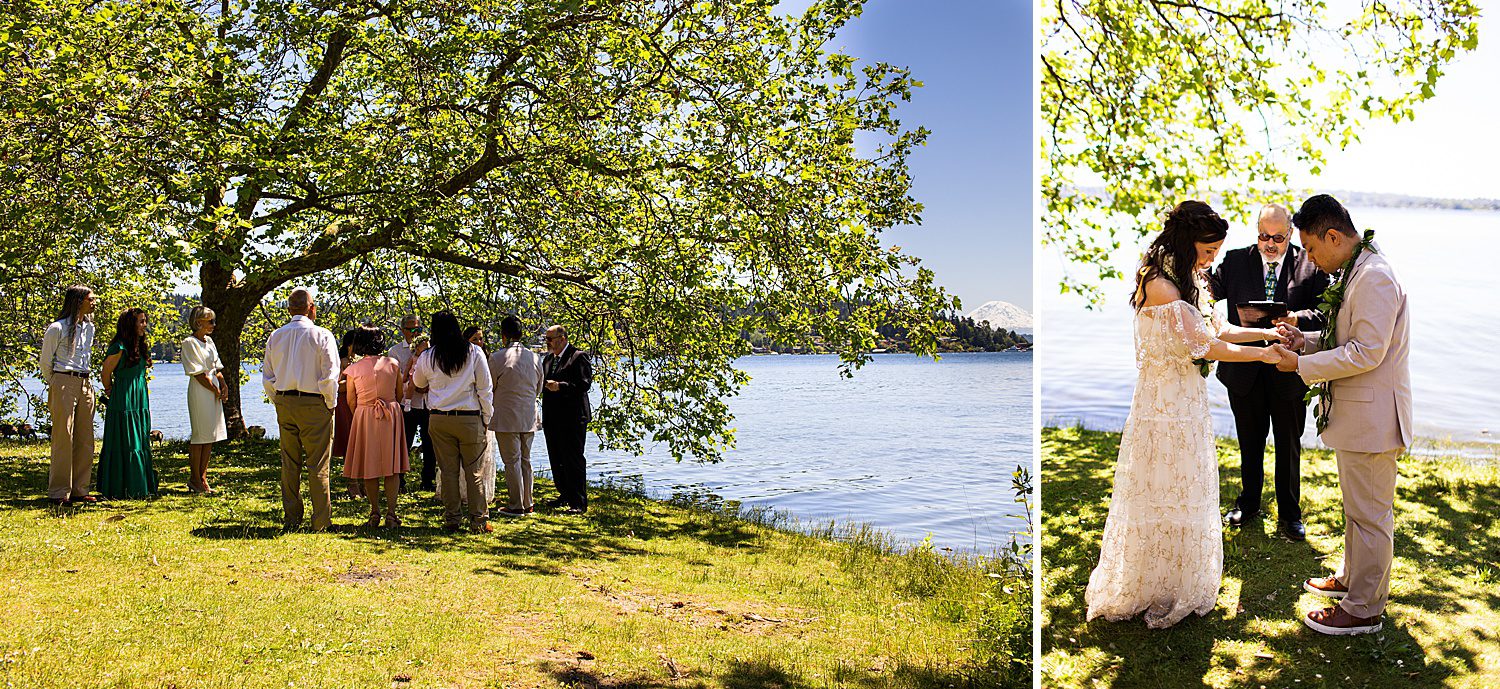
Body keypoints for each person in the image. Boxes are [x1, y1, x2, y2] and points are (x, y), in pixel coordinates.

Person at [1084, 201, 1288, 629]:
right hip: (1162, 406)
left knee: (1185, 486)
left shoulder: (1188, 279)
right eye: (1207, 250)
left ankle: (1177, 577)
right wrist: (1265, 358)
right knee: (1159, 486)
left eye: (1216, 252)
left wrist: (1267, 332)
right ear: (1185, 242)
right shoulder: (1160, 285)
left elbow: (1221, 330)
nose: (1211, 259)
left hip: (1188, 403)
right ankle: (1149, 581)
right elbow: (1207, 347)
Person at [1270, 195, 1411, 636]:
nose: (1309, 259)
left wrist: (1300, 367)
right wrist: (1304, 342)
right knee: (1357, 510)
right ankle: (1352, 580)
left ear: (1333, 236)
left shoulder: (1374, 277)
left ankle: (1365, 608)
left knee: (1370, 516)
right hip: (1357, 416)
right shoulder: (1356, 270)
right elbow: (1342, 338)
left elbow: (1367, 352)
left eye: (1311, 248)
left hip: (1374, 419)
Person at [1209, 204, 1330, 541]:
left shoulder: (1310, 262)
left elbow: (1326, 313)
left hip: (1289, 371)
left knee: (1289, 445)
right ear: (1256, 232)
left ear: (1289, 234)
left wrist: (1295, 318)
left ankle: (1290, 514)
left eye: (1278, 237)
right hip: (1243, 369)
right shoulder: (1234, 260)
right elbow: (1206, 294)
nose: (1270, 244)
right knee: (1249, 442)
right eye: (1264, 236)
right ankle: (1248, 504)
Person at [262, 288, 341, 531]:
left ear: (289, 310)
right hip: (314, 402)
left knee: (289, 461)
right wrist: (330, 403)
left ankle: (292, 517)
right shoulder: (322, 335)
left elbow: (268, 376)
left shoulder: (276, 336)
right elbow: (330, 376)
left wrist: (278, 399)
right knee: (318, 463)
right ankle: (321, 521)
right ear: (312, 308)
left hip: (286, 401)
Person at [410, 311, 494, 533]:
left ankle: (452, 518)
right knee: (474, 471)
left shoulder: (428, 356)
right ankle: (478, 520)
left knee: (448, 471)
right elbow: (485, 389)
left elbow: (418, 382)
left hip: (439, 419)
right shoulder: (474, 352)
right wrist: (487, 417)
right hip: (469, 418)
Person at [38, 285, 99, 506]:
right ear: (78, 300)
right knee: (64, 436)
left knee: (85, 438)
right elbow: (46, 362)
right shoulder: (57, 328)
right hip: (63, 379)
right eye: (90, 299)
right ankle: (58, 492)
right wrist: (55, 382)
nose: (94, 302)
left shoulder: (89, 327)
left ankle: (80, 490)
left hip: (85, 382)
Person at [343, 326, 409, 528]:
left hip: (365, 415)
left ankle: (374, 512)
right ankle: (391, 513)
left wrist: (362, 412)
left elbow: (351, 400)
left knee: (369, 467)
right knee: (392, 468)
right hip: (391, 414)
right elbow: (399, 395)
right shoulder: (393, 364)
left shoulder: (353, 369)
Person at [97, 308, 158, 499]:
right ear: (130, 324)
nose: (144, 325)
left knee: (139, 439)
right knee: (126, 439)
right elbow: (105, 373)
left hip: (139, 398)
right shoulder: (119, 347)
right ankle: (123, 487)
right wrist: (110, 391)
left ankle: (141, 485)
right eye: (141, 321)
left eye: (145, 321)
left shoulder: (138, 345)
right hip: (124, 398)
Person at [488, 315, 543, 517]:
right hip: (528, 414)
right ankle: (528, 501)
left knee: (512, 460)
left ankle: (516, 504)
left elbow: (489, 386)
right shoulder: (535, 357)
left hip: (506, 416)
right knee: (525, 459)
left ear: (504, 335)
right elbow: (538, 388)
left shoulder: (497, 358)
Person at [439, 324, 496, 505]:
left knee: (480, 462)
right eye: (474, 339)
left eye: (481, 338)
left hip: (480, 413)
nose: (479, 342)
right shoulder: (465, 358)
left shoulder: (486, 357)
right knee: (460, 463)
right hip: (471, 415)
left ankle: (479, 497)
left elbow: (487, 391)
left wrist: (487, 417)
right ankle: (462, 497)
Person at [540, 325, 593, 514]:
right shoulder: (547, 360)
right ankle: (565, 494)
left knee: (573, 459)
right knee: (556, 458)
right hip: (552, 417)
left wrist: (560, 386)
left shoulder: (578, 356)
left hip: (573, 417)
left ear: (562, 338)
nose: (547, 343)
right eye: (546, 339)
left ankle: (579, 502)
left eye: (550, 339)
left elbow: (584, 384)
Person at [181, 305, 228, 493]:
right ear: (198, 322)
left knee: (210, 435)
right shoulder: (189, 343)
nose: (213, 325)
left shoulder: (209, 341)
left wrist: (223, 386)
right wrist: (214, 390)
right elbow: (199, 374)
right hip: (201, 391)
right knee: (200, 435)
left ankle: (202, 477)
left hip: (213, 388)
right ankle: (194, 478)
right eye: (210, 321)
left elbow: (216, 368)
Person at [389, 316, 434, 491]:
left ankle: (428, 480)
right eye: (412, 329)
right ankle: (399, 480)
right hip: (407, 404)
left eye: (418, 329)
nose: (416, 333)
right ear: (403, 330)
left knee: (430, 444)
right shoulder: (395, 352)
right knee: (403, 443)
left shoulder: (430, 349)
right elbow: (396, 379)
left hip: (428, 403)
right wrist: (415, 386)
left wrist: (427, 386)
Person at [334, 329, 363, 498]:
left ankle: (364, 481)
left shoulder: (363, 361)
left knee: (362, 444)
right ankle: (352, 483)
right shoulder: (342, 361)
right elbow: (337, 385)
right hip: (345, 404)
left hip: (362, 403)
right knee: (349, 444)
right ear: (349, 345)